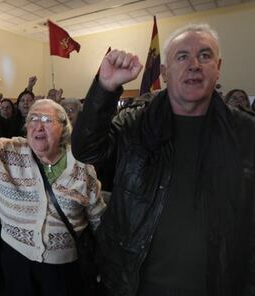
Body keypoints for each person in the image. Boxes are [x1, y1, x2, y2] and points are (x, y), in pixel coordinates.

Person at [72, 24, 255, 296]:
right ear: (165, 73)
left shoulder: (246, 133)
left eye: (204, 56)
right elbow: (87, 149)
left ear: (218, 67)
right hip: (135, 284)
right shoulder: (135, 124)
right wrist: (105, 87)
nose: (194, 65)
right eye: (182, 56)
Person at [0, 97, 106, 296]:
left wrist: (104, 262)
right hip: (16, 259)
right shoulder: (7, 151)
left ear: (63, 127)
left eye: (47, 120)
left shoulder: (82, 167)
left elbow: (98, 220)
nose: (38, 126)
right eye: (33, 119)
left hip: (64, 266)